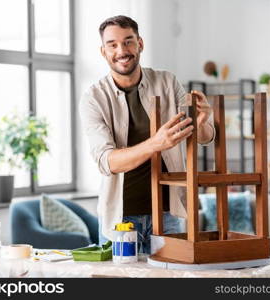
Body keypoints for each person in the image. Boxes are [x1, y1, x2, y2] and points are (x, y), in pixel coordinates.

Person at [80, 15, 215, 254]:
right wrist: (155, 143)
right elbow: (107, 161)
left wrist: (203, 121)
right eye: (112, 44)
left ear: (140, 44)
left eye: (128, 41)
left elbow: (203, 137)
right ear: (103, 51)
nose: (122, 50)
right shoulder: (93, 98)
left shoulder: (167, 81)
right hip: (120, 219)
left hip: (169, 213)